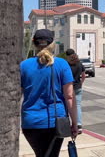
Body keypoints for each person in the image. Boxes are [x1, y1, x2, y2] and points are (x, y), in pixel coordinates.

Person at [20, 29, 78, 157]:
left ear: (34, 44)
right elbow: (69, 96)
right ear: (53, 44)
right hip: (55, 122)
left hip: (30, 122)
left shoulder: (23, 66)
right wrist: (75, 123)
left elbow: (20, 95)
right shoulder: (61, 64)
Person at [65, 49, 86, 134]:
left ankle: (67, 124)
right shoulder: (79, 64)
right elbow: (83, 75)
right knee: (77, 106)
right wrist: (81, 83)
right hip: (78, 87)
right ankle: (79, 125)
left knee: (67, 106)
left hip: (69, 87)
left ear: (67, 56)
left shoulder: (67, 65)